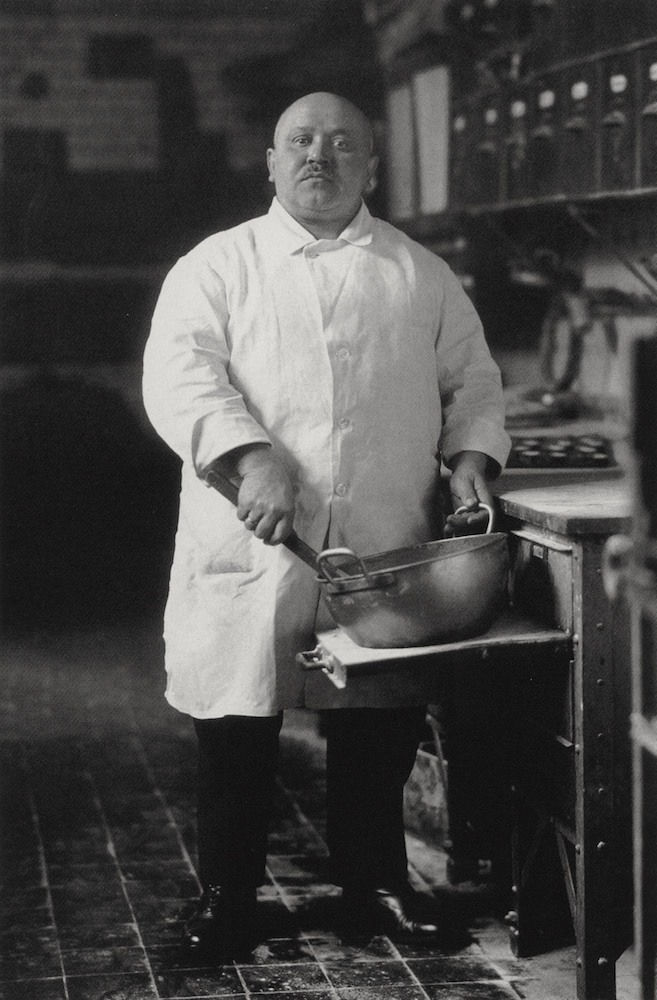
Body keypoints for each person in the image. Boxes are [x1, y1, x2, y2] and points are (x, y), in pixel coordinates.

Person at [142, 91, 510, 960]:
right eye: (299, 141)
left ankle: (374, 887)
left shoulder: (417, 272)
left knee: (375, 725)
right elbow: (180, 378)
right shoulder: (217, 266)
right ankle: (226, 898)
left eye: (342, 143)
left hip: (384, 534)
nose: (320, 155)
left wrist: (471, 460)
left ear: (371, 166)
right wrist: (248, 457)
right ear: (270, 163)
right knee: (236, 721)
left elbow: (475, 384)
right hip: (254, 535)